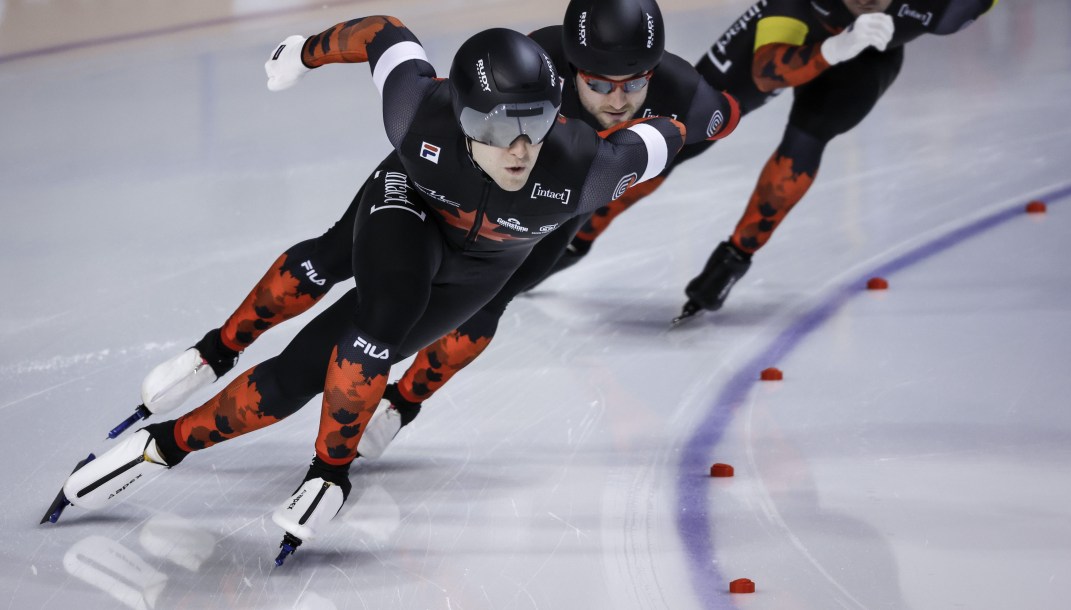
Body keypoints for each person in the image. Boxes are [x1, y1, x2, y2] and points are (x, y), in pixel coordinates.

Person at [54, 16, 686, 564]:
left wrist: (697, 105)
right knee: (377, 313)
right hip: (409, 205)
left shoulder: (587, 168)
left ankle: (161, 447)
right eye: (496, 128)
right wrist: (304, 51)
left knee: (298, 378)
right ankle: (239, 374)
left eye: (537, 122)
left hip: (476, 272)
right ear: (462, 116)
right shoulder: (417, 112)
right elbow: (383, 33)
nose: (520, 148)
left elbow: (675, 130)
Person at [110, 0, 739, 461]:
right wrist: (306, 50)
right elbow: (405, 58)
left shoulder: (682, 92)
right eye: (597, 82)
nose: (618, 98)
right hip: (440, 178)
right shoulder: (533, 56)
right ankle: (219, 348)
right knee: (335, 253)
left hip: (539, 212)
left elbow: (726, 112)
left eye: (636, 83)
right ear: (567, 63)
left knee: (491, 302)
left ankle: (401, 404)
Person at [538, 0, 998, 323]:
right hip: (792, 33)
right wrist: (831, 49)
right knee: (682, 129)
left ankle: (734, 260)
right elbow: (765, 69)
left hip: (870, 57)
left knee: (807, 139)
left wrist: (851, 51)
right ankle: (583, 235)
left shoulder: (945, 7)